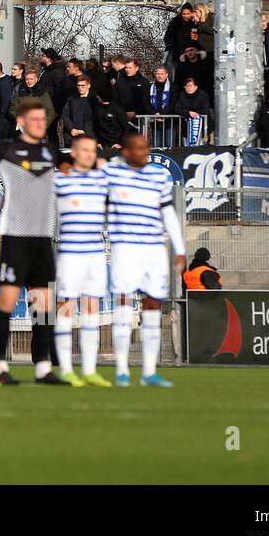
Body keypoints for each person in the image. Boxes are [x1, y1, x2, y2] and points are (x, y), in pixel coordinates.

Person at [0, 99, 65, 386]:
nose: (39, 123)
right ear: (21, 120)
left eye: (42, 119)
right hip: (15, 238)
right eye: (34, 119)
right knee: (6, 302)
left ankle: (43, 367)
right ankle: (1, 366)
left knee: (44, 305)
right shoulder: (5, 149)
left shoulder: (49, 151)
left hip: (43, 238)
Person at [105, 133, 187, 387]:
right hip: (125, 249)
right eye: (138, 148)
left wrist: (180, 248)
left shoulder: (158, 176)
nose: (143, 152)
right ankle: (121, 370)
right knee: (123, 306)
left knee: (152, 307)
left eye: (146, 147)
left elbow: (168, 212)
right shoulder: (112, 174)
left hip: (153, 250)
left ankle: (149, 371)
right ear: (126, 151)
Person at [52, 134, 113, 387]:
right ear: (74, 153)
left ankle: (89, 370)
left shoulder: (103, 180)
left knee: (91, 310)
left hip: (96, 254)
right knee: (65, 308)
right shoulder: (59, 180)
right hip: (69, 253)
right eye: (84, 150)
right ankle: (65, 368)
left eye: (92, 150)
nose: (89, 154)